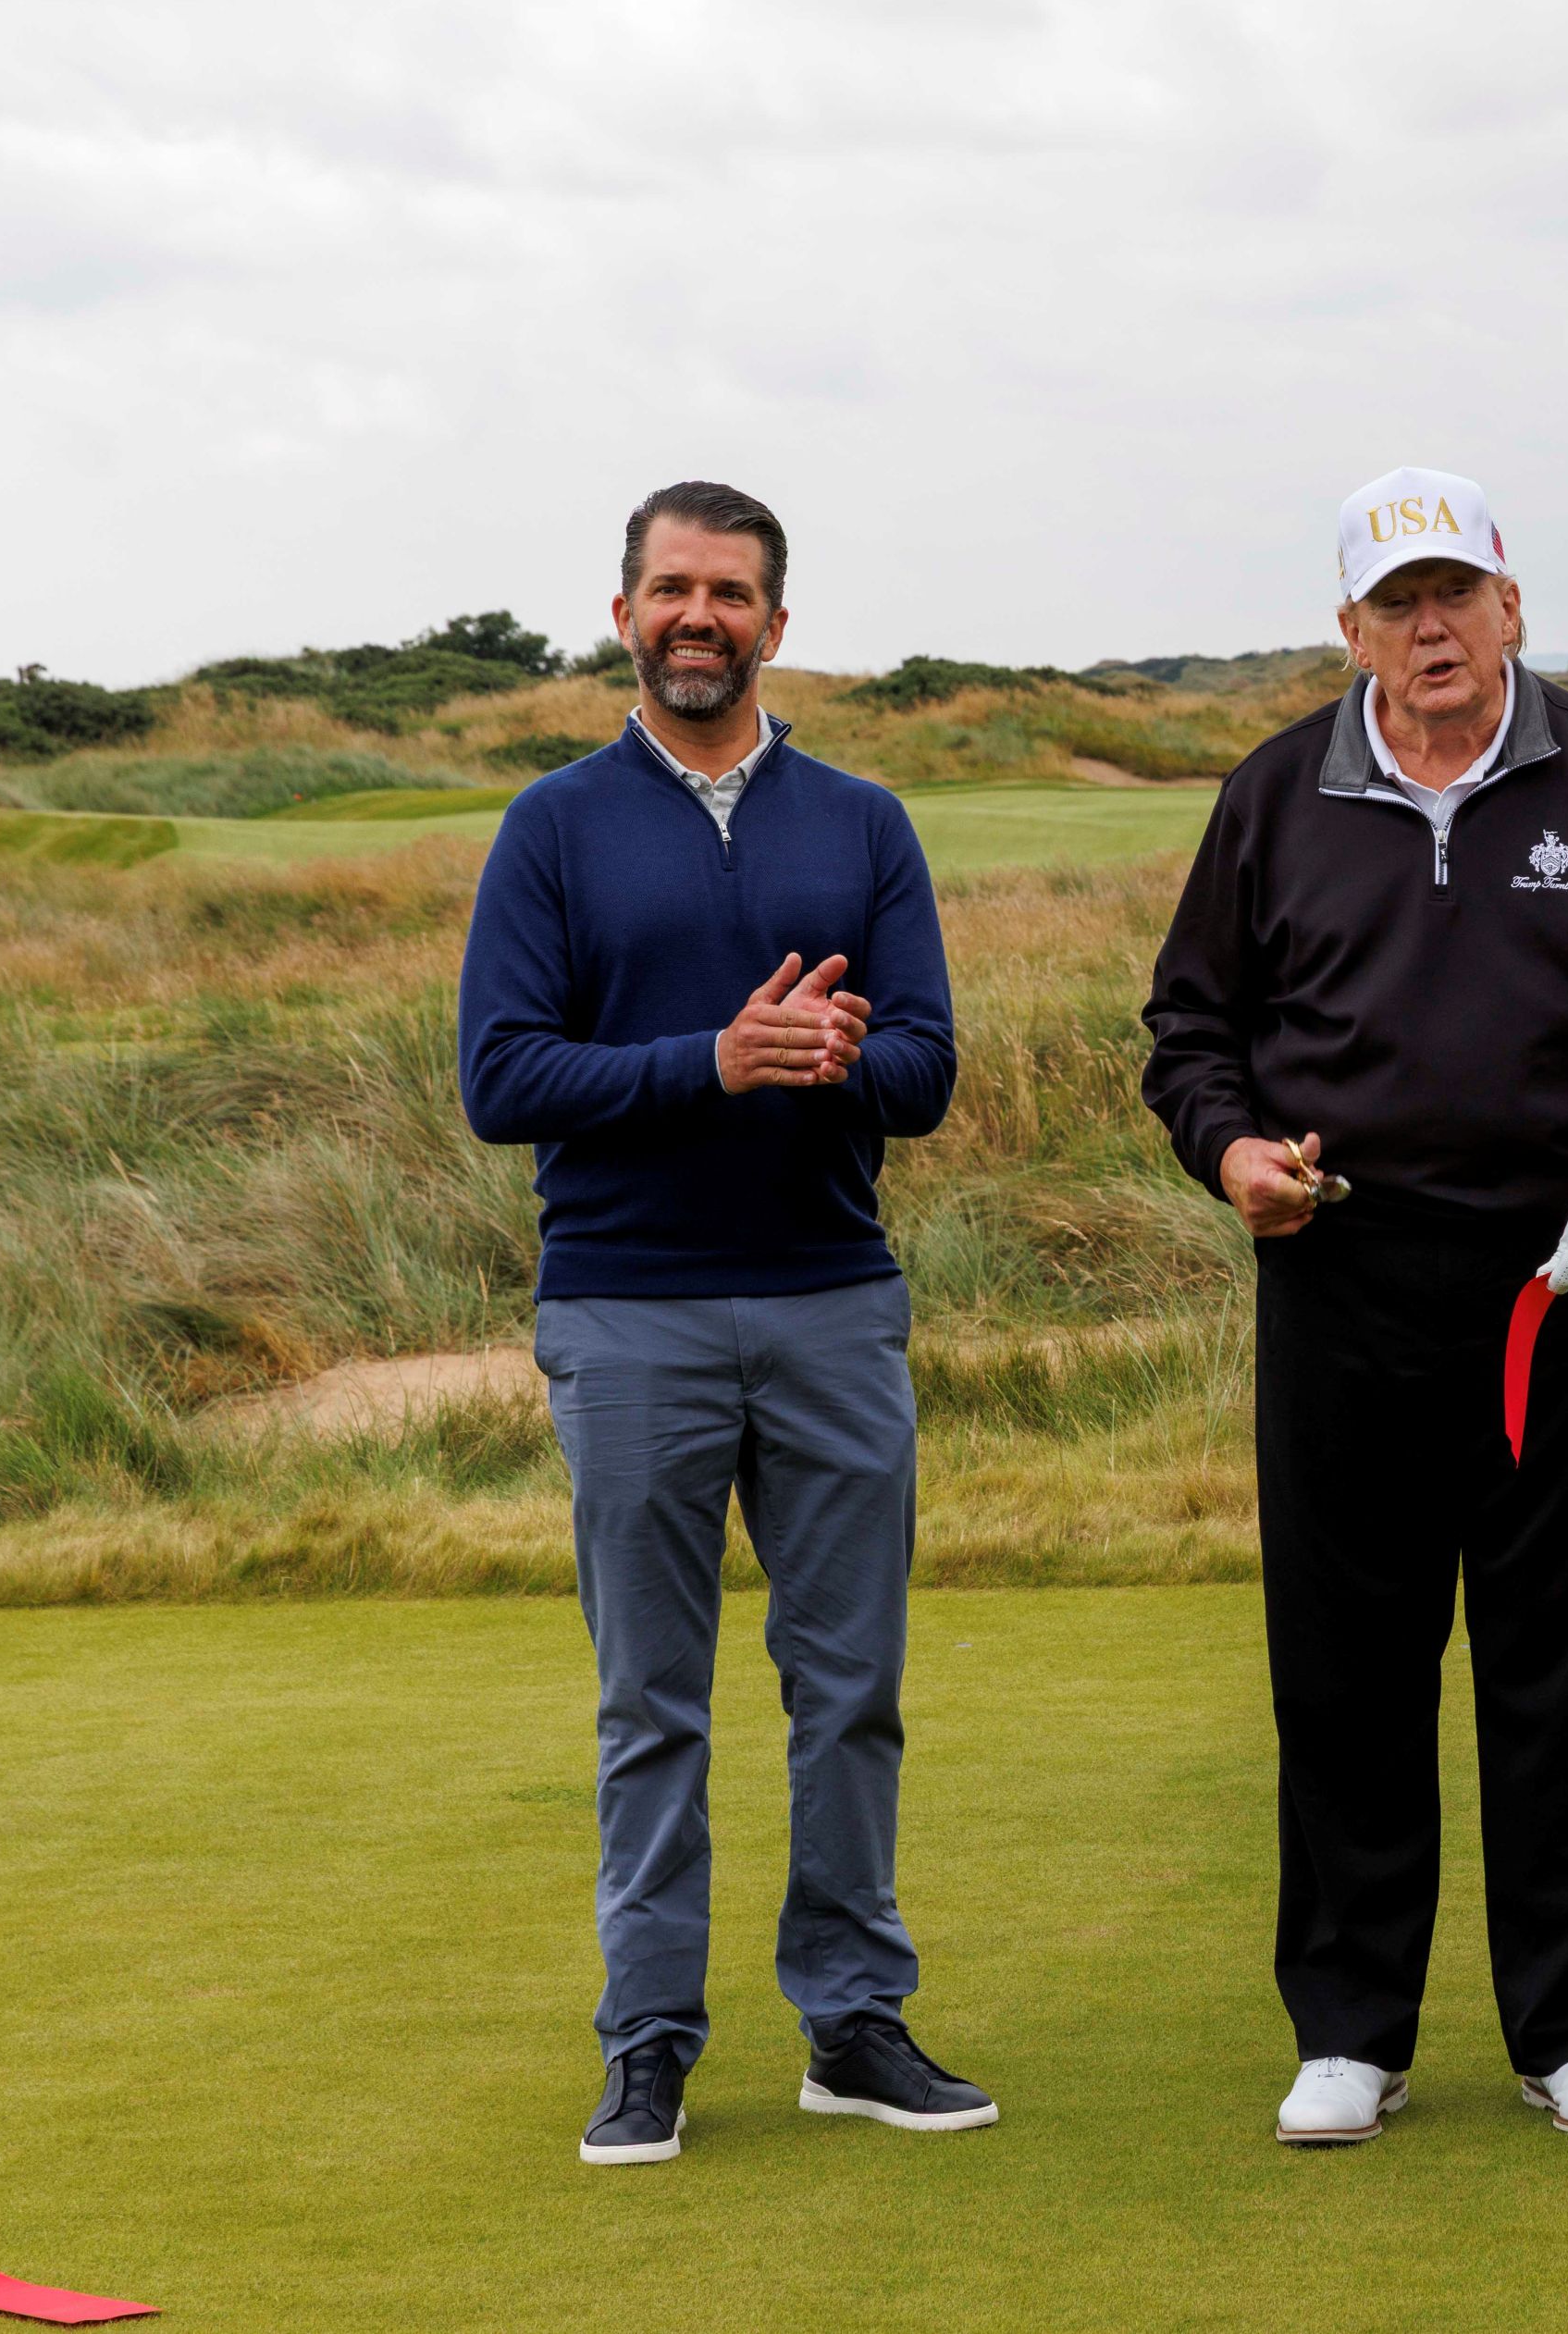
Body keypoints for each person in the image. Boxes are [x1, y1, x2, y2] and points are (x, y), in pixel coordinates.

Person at [1141, 466, 1568, 2148]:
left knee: (1564, 1665)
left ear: (1512, 603)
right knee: (1345, 1667)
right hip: (1341, 1282)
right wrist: (1232, 1151)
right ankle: (1351, 2029)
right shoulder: (1271, 797)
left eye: (1456, 592)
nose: (1431, 627)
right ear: (1350, 631)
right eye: (1396, 603)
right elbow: (1192, 1032)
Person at [459, 479, 990, 2167]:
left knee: (849, 1688)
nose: (703, 617)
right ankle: (650, 2041)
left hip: (834, 1303)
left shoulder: (862, 821)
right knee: (653, 1703)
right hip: (628, 1317)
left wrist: (835, 1059)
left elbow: (927, 1071)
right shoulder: (553, 826)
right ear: (624, 612)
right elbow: (501, 1077)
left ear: (778, 620)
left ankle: (851, 2023)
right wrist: (710, 1061)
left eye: (733, 593)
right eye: (673, 590)